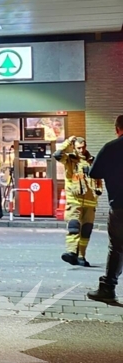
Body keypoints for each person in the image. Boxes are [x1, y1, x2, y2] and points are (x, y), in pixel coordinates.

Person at [87, 114, 123, 304]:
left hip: (120, 206)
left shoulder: (111, 147)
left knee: (117, 247)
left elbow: (95, 172)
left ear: (117, 129)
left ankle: (108, 288)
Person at [55, 135, 101, 266]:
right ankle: (71, 252)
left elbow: (98, 179)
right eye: (79, 148)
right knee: (74, 227)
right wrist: (68, 142)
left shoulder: (92, 161)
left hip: (90, 201)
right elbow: (57, 154)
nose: (81, 150)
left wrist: (98, 191)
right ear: (74, 147)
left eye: (83, 147)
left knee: (86, 230)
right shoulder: (69, 159)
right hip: (74, 200)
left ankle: (81, 256)